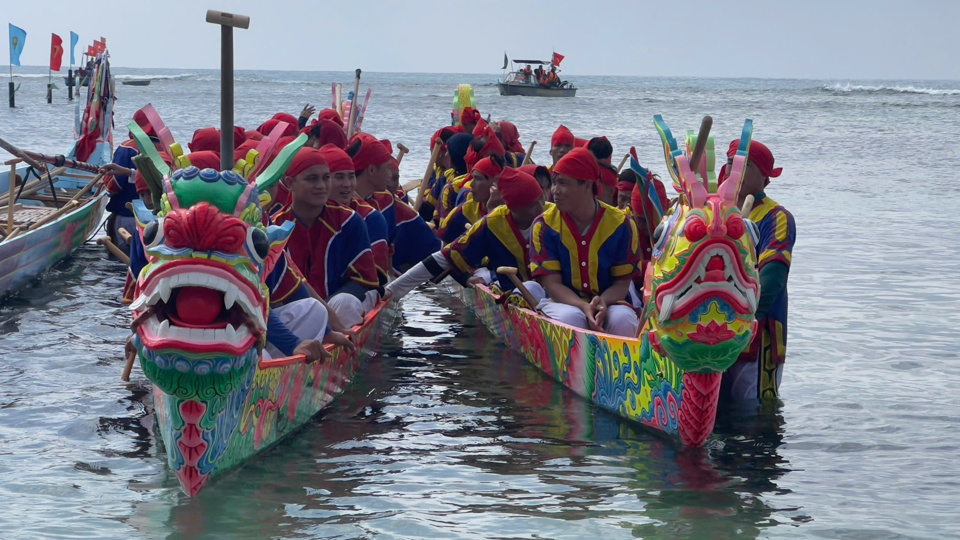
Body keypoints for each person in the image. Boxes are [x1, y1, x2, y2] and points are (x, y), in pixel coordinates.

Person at [528, 148, 640, 336]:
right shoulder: (544, 225)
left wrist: (602, 302)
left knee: (623, 321)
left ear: (588, 185)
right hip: (562, 303)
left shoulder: (622, 224)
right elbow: (552, 284)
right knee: (572, 319)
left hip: (610, 301)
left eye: (562, 183)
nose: (554, 191)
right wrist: (583, 306)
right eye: (554, 183)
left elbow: (621, 284)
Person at [387, 167, 546, 299]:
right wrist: (394, 290)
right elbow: (444, 258)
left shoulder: (552, 217)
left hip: (553, 299)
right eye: (533, 204)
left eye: (542, 198)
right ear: (513, 209)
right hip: (512, 294)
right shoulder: (491, 223)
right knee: (529, 287)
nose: (542, 207)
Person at [719, 139, 795, 402]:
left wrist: (744, 323)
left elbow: (773, 275)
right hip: (712, 328)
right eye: (731, 163)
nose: (735, 170)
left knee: (753, 411)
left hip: (756, 331)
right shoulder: (714, 211)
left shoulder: (776, 217)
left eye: (744, 164)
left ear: (764, 176)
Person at [272, 147, 380, 327]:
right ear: (290, 183)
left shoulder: (350, 221)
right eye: (312, 179)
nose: (322, 186)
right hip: (300, 308)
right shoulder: (276, 226)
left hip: (341, 304)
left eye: (326, 178)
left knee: (346, 303)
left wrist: (324, 310)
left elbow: (364, 281)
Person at [348, 133, 441, 273]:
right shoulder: (338, 205)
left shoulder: (385, 201)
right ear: (372, 170)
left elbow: (388, 257)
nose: (390, 176)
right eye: (387, 168)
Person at [319, 144, 391, 283]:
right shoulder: (299, 215)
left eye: (351, 176)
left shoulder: (370, 218)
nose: (347, 184)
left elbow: (375, 278)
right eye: (339, 177)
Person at [439, 155, 503, 243]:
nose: (471, 184)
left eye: (478, 179)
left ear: (496, 183)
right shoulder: (465, 210)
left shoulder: (512, 214)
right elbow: (443, 242)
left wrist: (492, 211)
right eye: (472, 178)